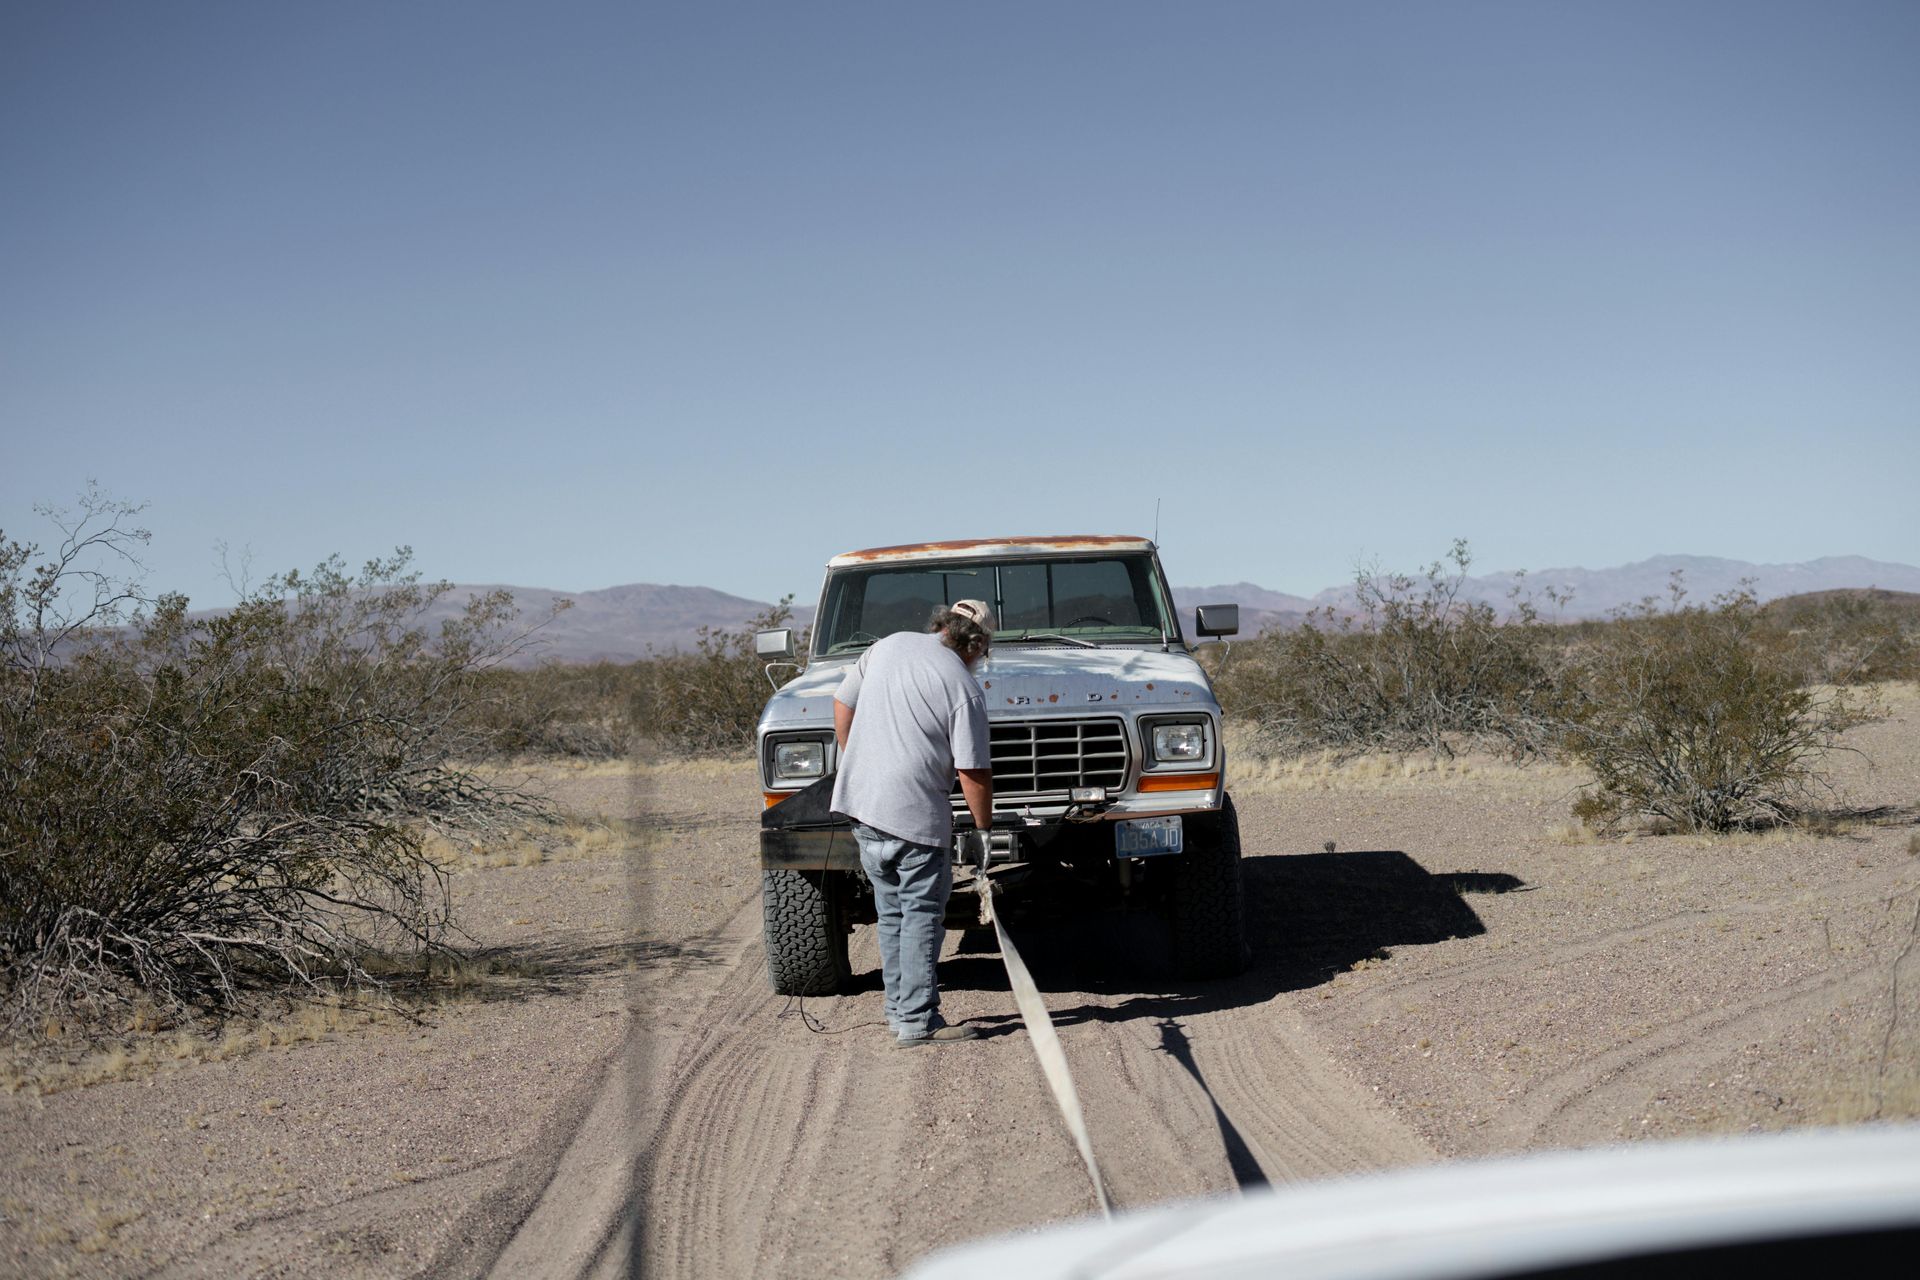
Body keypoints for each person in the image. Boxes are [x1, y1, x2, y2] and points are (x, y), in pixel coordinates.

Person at [830, 598, 995, 1047]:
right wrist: (983, 831)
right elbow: (972, 771)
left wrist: (859, 763)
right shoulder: (961, 685)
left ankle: (898, 1012)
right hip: (915, 816)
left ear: (943, 625)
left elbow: (842, 705)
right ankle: (918, 1021)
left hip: (864, 808)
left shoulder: (886, 646)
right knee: (921, 914)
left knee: (892, 913)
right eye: (984, 650)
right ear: (975, 643)